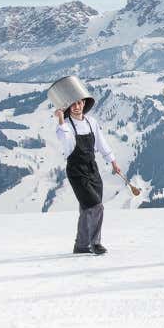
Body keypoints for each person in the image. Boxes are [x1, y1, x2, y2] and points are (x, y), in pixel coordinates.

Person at [54, 99, 121, 255]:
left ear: (84, 104)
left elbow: (102, 143)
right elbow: (66, 142)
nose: (76, 107)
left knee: (87, 209)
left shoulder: (91, 122)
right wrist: (61, 118)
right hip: (76, 171)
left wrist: (113, 162)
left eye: (79, 103)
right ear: (68, 106)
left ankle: (81, 246)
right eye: (73, 104)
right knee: (96, 206)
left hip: (92, 169)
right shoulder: (65, 125)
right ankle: (95, 243)